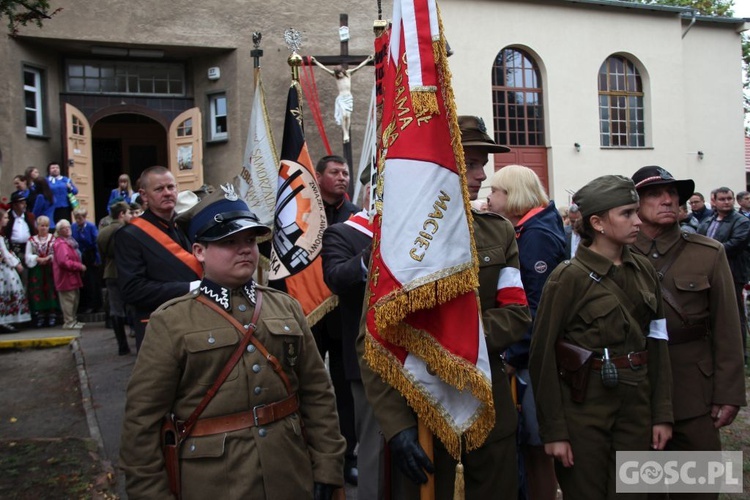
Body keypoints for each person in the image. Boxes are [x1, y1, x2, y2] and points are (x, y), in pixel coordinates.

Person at [119, 186, 346, 499]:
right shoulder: (171, 320)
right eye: (229, 242)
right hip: (213, 482)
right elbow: (141, 424)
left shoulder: (285, 307)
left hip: (289, 472)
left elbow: (317, 394)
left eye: (250, 241)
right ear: (199, 251)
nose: (244, 250)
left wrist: (327, 466)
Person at [358, 115, 532, 499]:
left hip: (488, 407)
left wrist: (456, 341)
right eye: (471, 163)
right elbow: (371, 339)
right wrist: (397, 426)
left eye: (483, 164)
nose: (482, 175)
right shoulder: (399, 241)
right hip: (423, 411)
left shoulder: (498, 231)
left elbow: (517, 311)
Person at [529, 175, 673, 499]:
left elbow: (658, 341)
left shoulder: (643, 270)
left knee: (635, 492)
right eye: (626, 214)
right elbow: (542, 358)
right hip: (584, 411)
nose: (637, 221)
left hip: (636, 404)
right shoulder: (567, 279)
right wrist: (554, 432)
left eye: (636, 212)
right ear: (598, 223)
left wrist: (662, 412)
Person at [629, 166, 746, 500]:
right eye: (654, 194)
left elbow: (729, 327)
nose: (667, 199)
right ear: (634, 203)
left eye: (673, 193)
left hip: (694, 393)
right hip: (637, 392)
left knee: (698, 490)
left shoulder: (708, 252)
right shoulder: (616, 254)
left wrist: (729, 392)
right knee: (642, 489)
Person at [486, 164, 565, 500]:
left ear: (513, 195)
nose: (488, 198)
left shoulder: (536, 235)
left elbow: (534, 308)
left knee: (537, 444)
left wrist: (513, 355)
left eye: (496, 192)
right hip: (529, 355)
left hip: (532, 358)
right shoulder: (532, 227)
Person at [322, 208, 385, 499]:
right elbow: (336, 277)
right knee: (376, 450)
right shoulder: (343, 233)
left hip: (420, 357)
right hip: (370, 359)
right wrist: (370, 256)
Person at [312, 153, 360, 485]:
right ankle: (313, 454)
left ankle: (347, 456)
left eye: (345, 172)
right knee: (312, 388)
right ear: (318, 176)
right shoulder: (301, 214)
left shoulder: (356, 216)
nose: (342, 177)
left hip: (344, 316)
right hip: (311, 315)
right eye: (334, 172)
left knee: (347, 393)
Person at [115, 166, 202, 351]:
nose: (167, 193)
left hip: (197, 322)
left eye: (171, 187)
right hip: (159, 326)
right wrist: (191, 287)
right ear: (144, 195)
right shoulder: (129, 235)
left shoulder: (186, 226)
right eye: (159, 189)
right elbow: (132, 289)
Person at [697, 187, 750, 363]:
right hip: (708, 273)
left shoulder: (741, 221)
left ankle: (740, 354)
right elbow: (698, 241)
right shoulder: (708, 221)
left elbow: (736, 244)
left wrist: (709, 253)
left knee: (735, 314)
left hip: (733, 273)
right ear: (714, 201)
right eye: (722, 199)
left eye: (729, 199)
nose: (726, 202)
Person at [310, 55, 374, 143]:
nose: (339, 75)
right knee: (344, 115)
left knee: (348, 116)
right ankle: (345, 133)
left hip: (348, 98)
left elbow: (359, 67)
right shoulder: (335, 76)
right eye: (338, 74)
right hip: (341, 98)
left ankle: (347, 133)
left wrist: (367, 60)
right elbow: (324, 69)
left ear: (342, 71)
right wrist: (315, 61)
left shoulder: (348, 73)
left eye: (340, 73)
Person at [97, 201, 132, 355]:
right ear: (121, 214)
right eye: (128, 212)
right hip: (127, 272)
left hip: (110, 272)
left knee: (116, 309)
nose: (131, 215)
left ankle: (122, 346)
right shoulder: (127, 231)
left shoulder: (103, 232)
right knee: (132, 306)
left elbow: (102, 253)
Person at [0, 208, 31, 333]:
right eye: (5, 218)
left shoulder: (2, 235)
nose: (7, 220)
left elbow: (7, 252)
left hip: (5, 267)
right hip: (3, 269)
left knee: (9, 291)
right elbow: (5, 254)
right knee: (6, 291)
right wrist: (16, 263)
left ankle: (7, 320)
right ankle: (4, 321)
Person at [24, 215, 59, 328]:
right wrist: (37, 258)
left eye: (46, 226)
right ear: (37, 226)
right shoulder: (32, 240)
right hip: (37, 270)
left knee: (51, 290)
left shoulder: (53, 239)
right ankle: (40, 315)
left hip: (50, 269)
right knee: (37, 291)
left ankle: (52, 315)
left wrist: (49, 258)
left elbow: (57, 253)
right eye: (41, 225)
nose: (44, 228)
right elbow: (27, 255)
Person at [52, 219, 85, 330]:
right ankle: (69, 322)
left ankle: (73, 320)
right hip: (65, 277)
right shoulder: (61, 244)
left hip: (72, 276)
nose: (67, 229)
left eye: (68, 227)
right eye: (64, 228)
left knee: (74, 299)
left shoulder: (69, 241)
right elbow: (63, 261)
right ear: (59, 231)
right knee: (68, 300)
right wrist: (78, 266)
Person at [72, 207, 102, 314]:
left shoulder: (90, 227)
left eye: (80, 218)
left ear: (84, 217)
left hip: (91, 254)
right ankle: (84, 304)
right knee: (83, 281)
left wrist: (97, 259)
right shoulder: (73, 227)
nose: (78, 220)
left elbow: (96, 242)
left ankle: (95, 305)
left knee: (92, 280)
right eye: (76, 218)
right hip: (79, 255)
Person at [7, 191, 37, 288]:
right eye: (21, 203)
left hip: (27, 249)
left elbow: (35, 232)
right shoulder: (8, 217)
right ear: (15, 205)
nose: (24, 205)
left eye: (24, 202)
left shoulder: (29, 217)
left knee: (27, 276)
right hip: (13, 249)